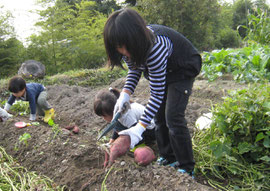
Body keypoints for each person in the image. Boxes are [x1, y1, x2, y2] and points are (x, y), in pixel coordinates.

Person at [103, 8, 202, 176]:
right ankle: (167, 156)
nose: (124, 53)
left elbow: (156, 95)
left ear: (135, 38)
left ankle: (187, 166)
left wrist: (139, 128)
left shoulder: (156, 47)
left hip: (182, 68)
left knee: (173, 116)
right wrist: (124, 95)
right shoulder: (129, 45)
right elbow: (134, 70)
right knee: (159, 115)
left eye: (125, 47)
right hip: (165, 69)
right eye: (119, 48)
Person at [93, 88, 156, 165]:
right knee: (119, 126)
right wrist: (112, 141)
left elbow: (137, 133)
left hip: (150, 130)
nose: (103, 119)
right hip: (138, 126)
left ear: (112, 111)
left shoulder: (127, 116)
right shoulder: (119, 112)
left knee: (129, 137)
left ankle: (140, 146)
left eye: (104, 116)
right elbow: (116, 127)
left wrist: (128, 147)